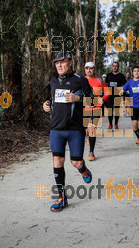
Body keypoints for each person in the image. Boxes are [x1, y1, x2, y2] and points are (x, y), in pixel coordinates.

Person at [43, 51, 93, 212]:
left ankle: (83, 169)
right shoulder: (53, 82)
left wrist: (78, 99)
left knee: (76, 162)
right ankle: (61, 197)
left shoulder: (80, 80)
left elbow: (95, 100)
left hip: (74, 129)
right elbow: (50, 101)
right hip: (56, 129)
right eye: (57, 63)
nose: (59, 65)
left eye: (62, 62)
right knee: (57, 161)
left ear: (70, 62)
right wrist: (45, 105)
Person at [84, 62, 110, 161]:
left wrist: (103, 99)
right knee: (86, 131)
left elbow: (107, 92)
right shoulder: (82, 80)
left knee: (92, 129)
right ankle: (89, 138)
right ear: (85, 70)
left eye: (91, 68)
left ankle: (91, 152)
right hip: (84, 108)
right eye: (87, 68)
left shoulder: (99, 80)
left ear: (94, 69)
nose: (89, 70)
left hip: (96, 108)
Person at [105, 62, 126, 129]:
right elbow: (105, 84)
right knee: (110, 110)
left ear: (118, 67)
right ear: (112, 67)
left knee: (117, 110)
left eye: (116, 66)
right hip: (110, 96)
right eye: (113, 66)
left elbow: (125, 85)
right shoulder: (108, 75)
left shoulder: (121, 76)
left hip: (117, 95)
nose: (114, 67)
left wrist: (122, 89)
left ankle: (116, 123)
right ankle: (110, 124)